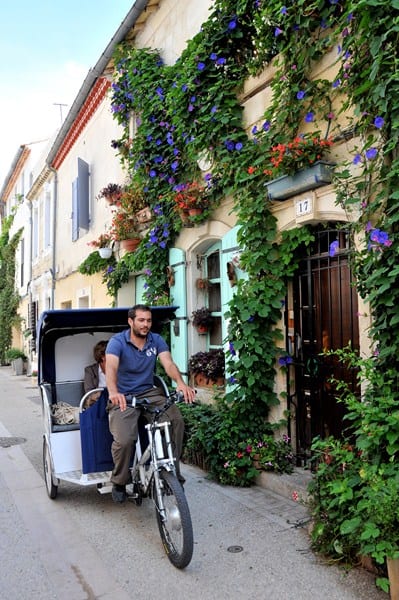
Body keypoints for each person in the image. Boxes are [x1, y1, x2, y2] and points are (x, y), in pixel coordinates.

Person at [105, 304, 195, 503]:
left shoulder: (156, 340)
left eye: (149, 321)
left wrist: (180, 383)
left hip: (148, 392)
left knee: (175, 419)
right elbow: (111, 366)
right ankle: (119, 481)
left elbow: (168, 363)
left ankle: (172, 472)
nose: (146, 325)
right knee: (125, 439)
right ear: (131, 321)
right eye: (141, 320)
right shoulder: (117, 342)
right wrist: (113, 391)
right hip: (124, 396)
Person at [83, 340, 108, 408]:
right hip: (97, 403)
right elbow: (89, 393)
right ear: (103, 357)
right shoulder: (90, 370)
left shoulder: (119, 369)